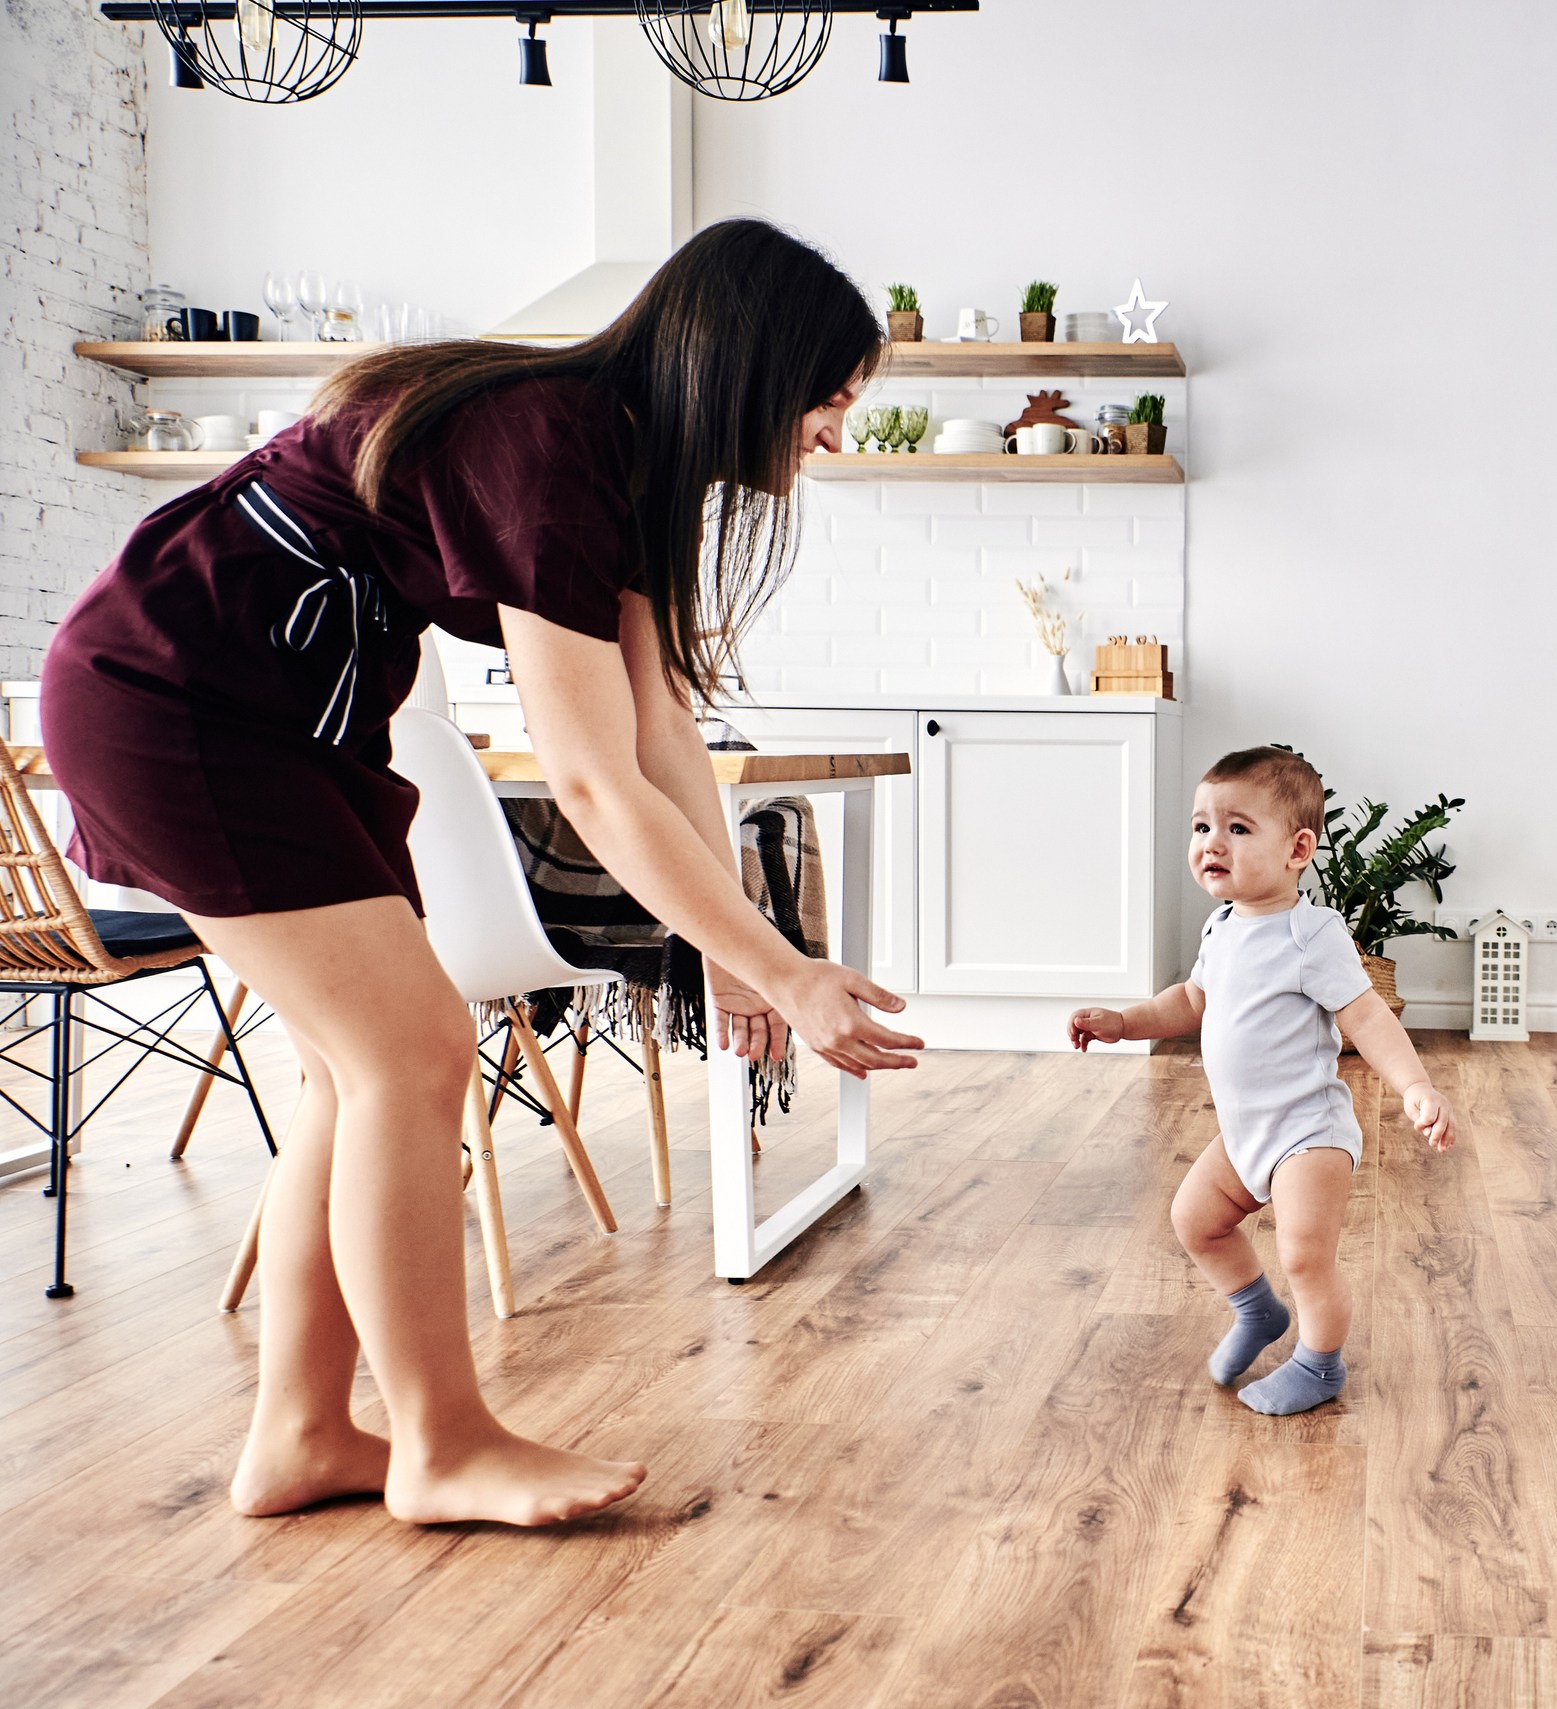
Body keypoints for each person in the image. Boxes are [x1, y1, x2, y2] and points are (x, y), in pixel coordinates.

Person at [39, 219, 924, 1527]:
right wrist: (779, 970)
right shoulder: (552, 444)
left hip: (287, 719)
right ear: (746, 368)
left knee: (357, 1071)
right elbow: (589, 777)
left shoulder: (615, 461)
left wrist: (744, 950)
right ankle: (440, 1445)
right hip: (185, 700)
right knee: (413, 1054)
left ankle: (297, 1434)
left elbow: (659, 726)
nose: (839, 434)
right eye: (831, 398)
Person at [1068, 747, 1456, 1415]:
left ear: (1297, 848)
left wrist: (1414, 1086)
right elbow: (1190, 1002)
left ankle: (1320, 1363)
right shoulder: (1222, 928)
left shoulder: (1312, 935)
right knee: (1195, 1221)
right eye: (1201, 827)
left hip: (1308, 1132)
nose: (1211, 842)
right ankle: (1257, 1313)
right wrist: (1124, 1022)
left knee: (1305, 1253)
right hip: (1244, 1132)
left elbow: (1364, 1014)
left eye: (1237, 828)